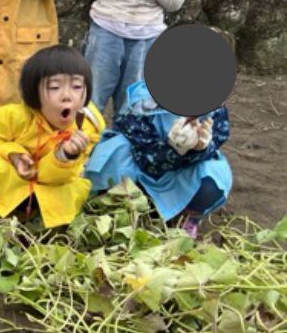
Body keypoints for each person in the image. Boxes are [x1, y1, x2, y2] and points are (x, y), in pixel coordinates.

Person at [0, 45, 104, 228]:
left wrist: (65, 156)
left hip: (51, 185)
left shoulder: (87, 128)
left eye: (77, 86)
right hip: (11, 182)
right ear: (33, 92)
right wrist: (13, 154)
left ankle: (41, 226)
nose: (67, 96)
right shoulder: (14, 116)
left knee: (73, 188)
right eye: (55, 87)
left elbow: (59, 177)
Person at [83, 81, 231, 239]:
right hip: (140, 169)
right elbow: (146, 159)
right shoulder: (142, 101)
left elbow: (217, 138)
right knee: (115, 156)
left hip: (182, 174)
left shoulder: (213, 106)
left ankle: (184, 217)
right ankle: (129, 210)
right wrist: (174, 148)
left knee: (211, 179)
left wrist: (200, 149)